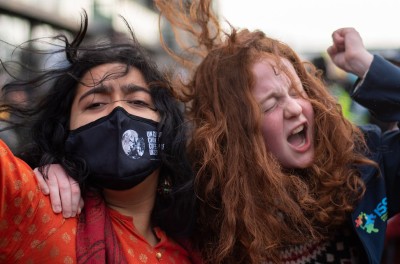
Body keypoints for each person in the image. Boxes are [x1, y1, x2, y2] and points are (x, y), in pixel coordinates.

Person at [36, 3, 400, 264]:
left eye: (297, 91)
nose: (293, 107)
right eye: (270, 103)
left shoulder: (364, 165)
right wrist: (57, 168)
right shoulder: (205, 204)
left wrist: (369, 69)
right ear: (238, 132)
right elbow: (122, 186)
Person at [0, 11, 197, 263]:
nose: (118, 113)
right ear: (66, 132)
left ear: (166, 125)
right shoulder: (34, 210)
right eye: (95, 104)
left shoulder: (196, 243)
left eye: (137, 101)